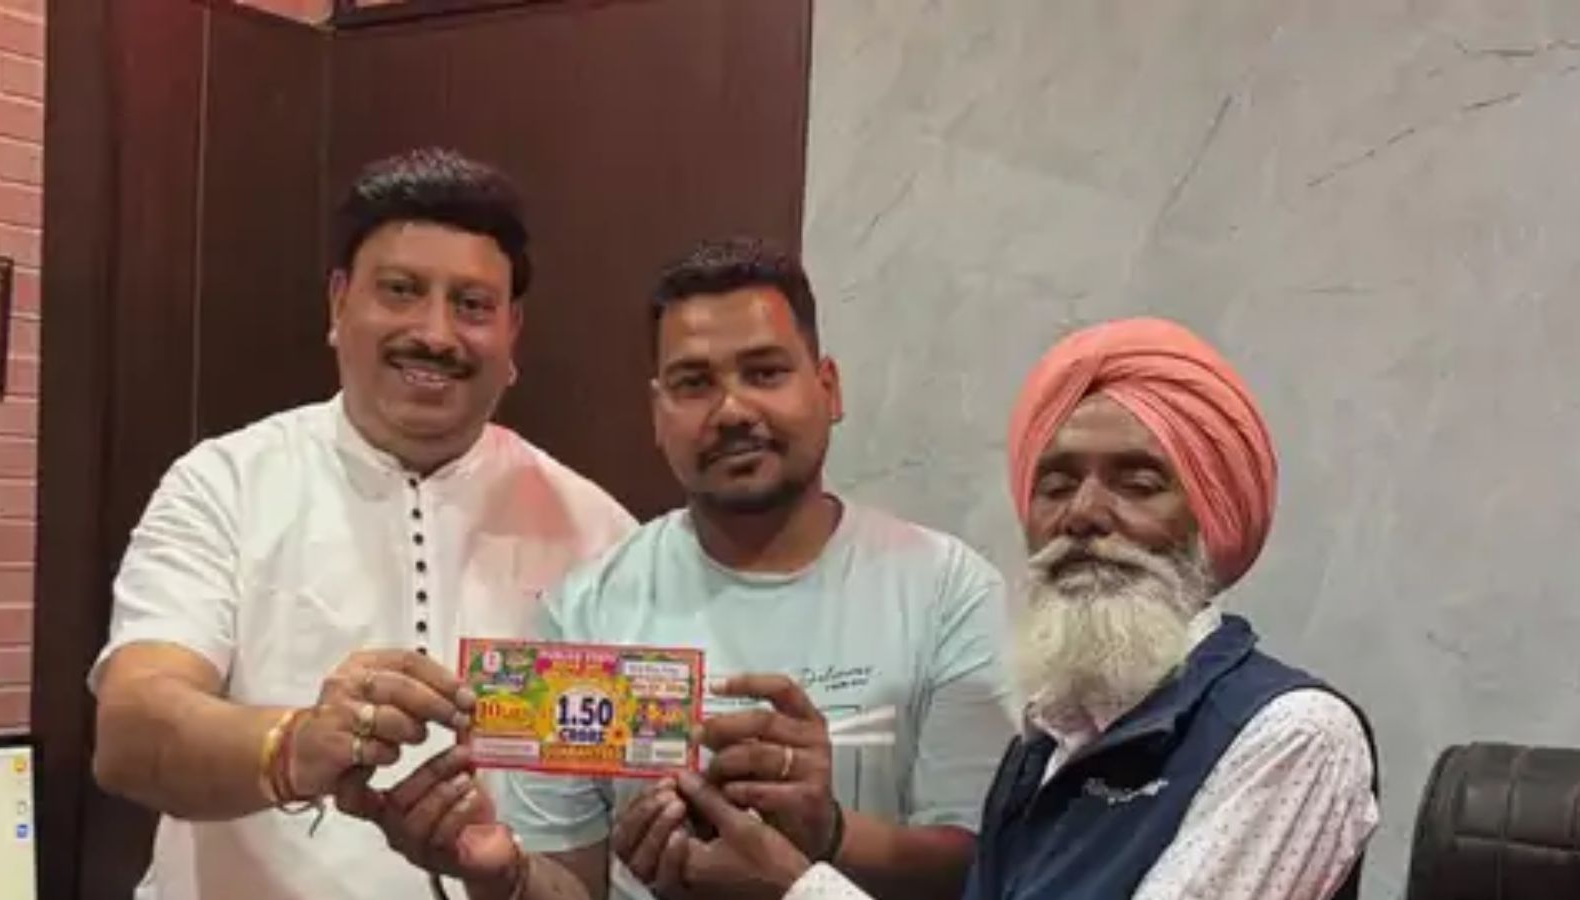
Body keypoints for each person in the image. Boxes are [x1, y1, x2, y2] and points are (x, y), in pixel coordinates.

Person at [366, 238, 1016, 900]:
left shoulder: (946, 589)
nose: (732, 410)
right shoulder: (583, 611)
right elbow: (569, 881)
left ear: (828, 388)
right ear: (657, 413)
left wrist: (828, 836)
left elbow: (985, 867)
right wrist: (502, 878)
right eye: (694, 383)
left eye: (765, 372)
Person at [651, 316, 1381, 900]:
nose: (1083, 514)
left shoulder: (1293, 736)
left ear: (1212, 518)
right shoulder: (1048, 740)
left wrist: (795, 888)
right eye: (1056, 485)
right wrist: (811, 844)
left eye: (1137, 484)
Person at [89, 147, 636, 900]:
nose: (436, 334)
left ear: (513, 331)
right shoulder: (225, 485)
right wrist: (296, 745)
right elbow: (132, 728)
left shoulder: (596, 533)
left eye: (472, 305)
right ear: (339, 303)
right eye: (401, 291)